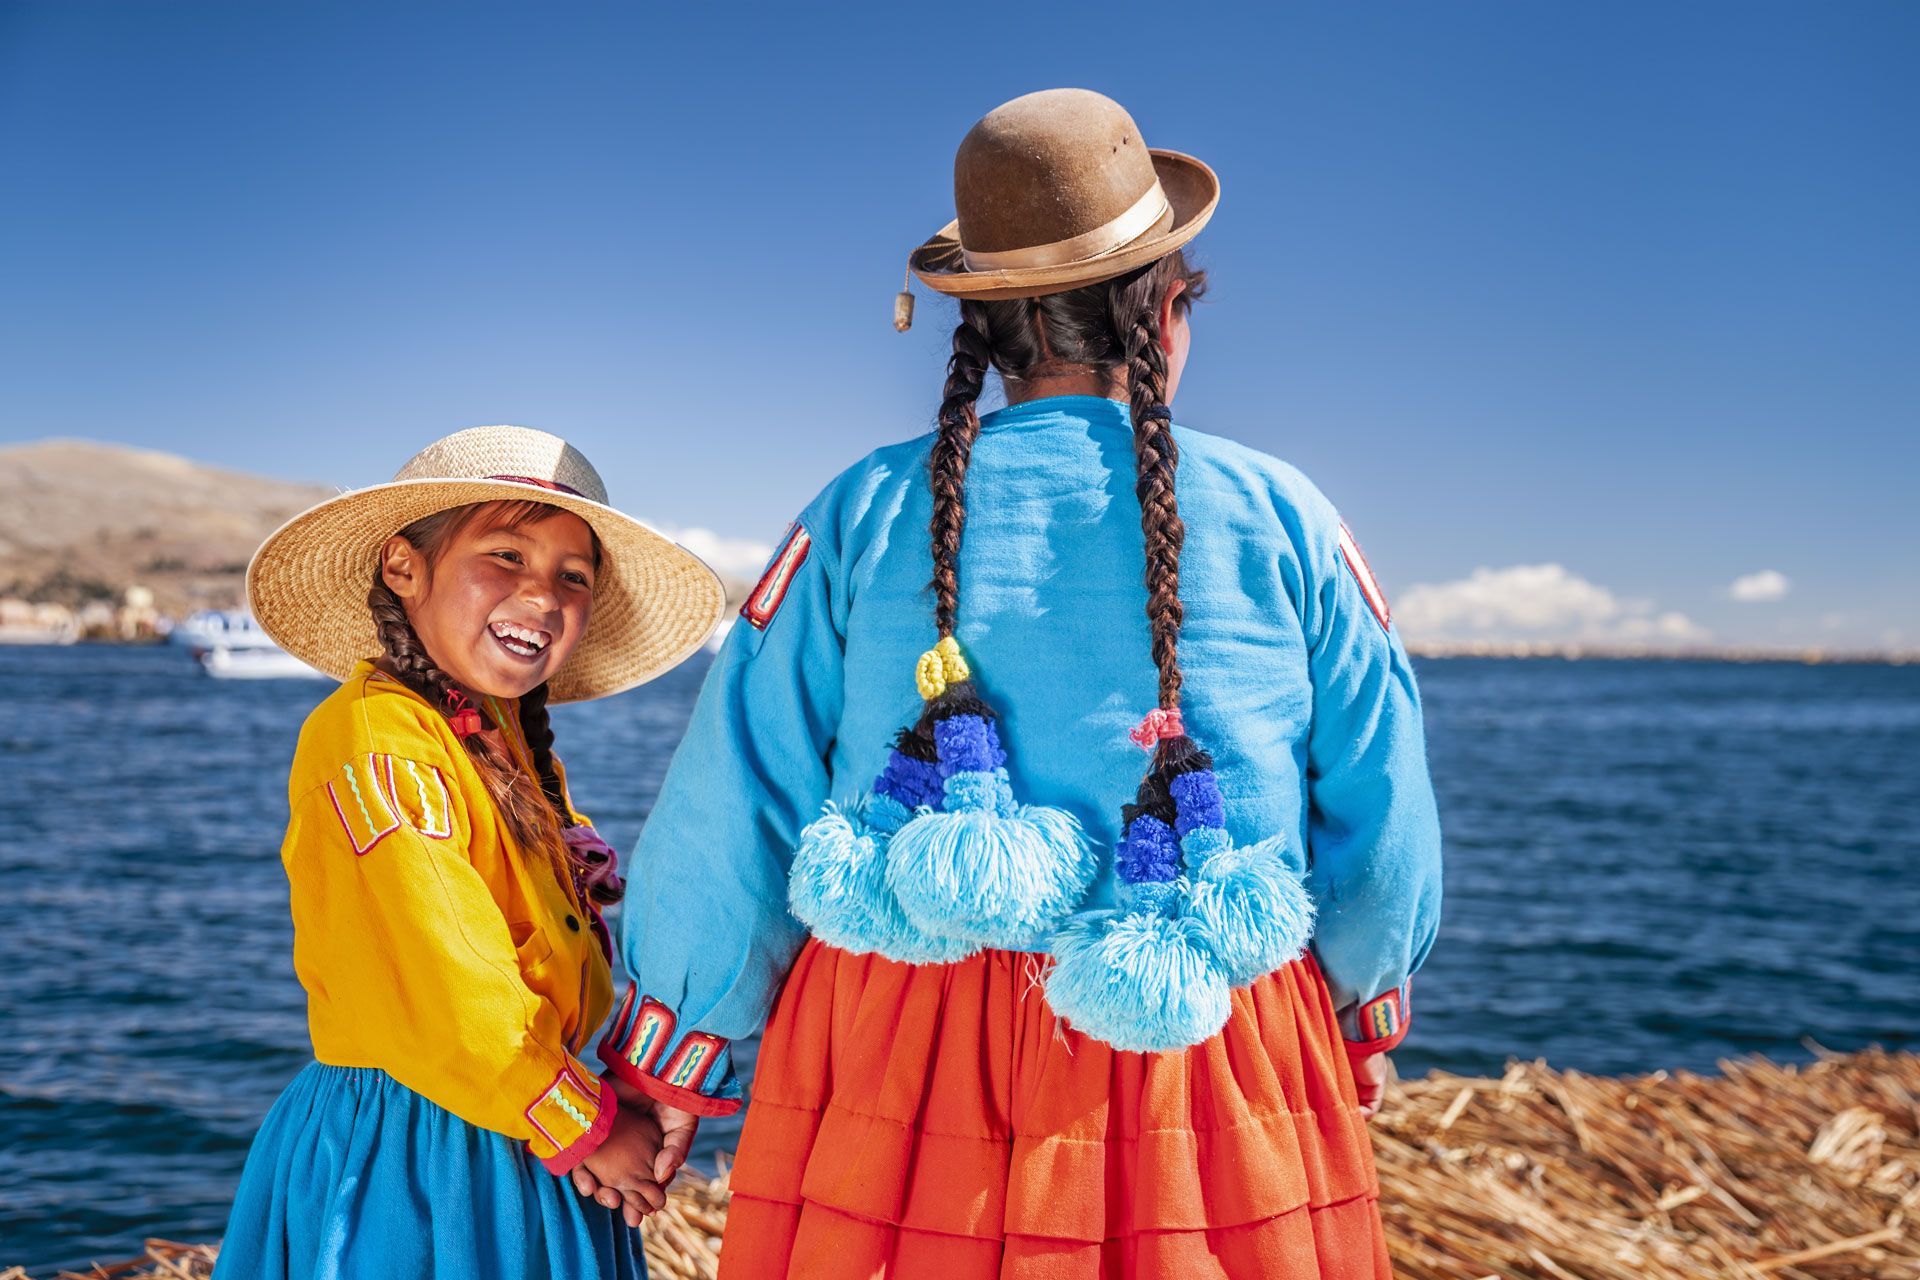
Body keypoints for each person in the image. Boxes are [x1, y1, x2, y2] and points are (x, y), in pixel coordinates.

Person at [594, 89, 1443, 1278]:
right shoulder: (1286, 514)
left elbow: (741, 790)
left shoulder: (863, 509)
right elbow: (1379, 804)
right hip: (1195, 1019)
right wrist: (1357, 1013)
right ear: (1166, 309)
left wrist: (677, 1052)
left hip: (896, 1042)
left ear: (986, 331)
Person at [214, 425, 728, 1280]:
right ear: (403, 568)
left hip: (513, 1118)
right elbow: (447, 976)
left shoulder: (504, 743)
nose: (543, 593)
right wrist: (590, 1126)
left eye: (574, 575)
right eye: (506, 555)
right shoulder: (375, 736)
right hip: (422, 1152)